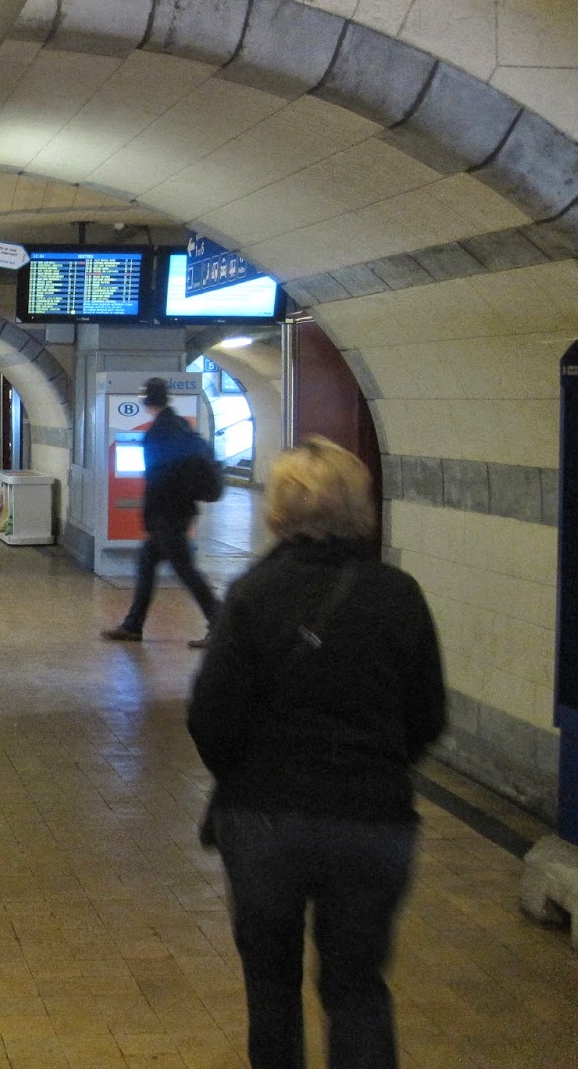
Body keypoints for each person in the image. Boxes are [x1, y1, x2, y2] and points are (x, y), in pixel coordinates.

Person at [187, 437, 446, 1069]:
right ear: (360, 505)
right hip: (372, 821)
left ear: (280, 506)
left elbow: (210, 717)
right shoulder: (399, 595)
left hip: (265, 819)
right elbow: (428, 717)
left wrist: (246, 774)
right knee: (358, 988)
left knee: (271, 986)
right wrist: (375, 766)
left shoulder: (251, 594)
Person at [102, 377, 219, 648]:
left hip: (167, 516)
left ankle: (221, 625)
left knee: (187, 572)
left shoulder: (159, 432)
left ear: (147, 401)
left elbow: (158, 481)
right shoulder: (181, 425)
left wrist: (150, 516)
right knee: (147, 565)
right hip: (179, 512)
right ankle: (133, 625)